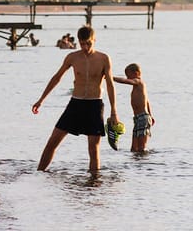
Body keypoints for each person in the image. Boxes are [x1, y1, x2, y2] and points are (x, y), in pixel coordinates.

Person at [32, 25, 118, 172]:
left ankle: (94, 183)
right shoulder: (72, 57)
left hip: (94, 105)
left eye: (89, 43)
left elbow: (110, 85)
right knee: (52, 142)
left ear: (94, 40)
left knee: (93, 148)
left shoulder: (103, 59)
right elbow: (57, 78)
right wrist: (41, 100)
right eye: (82, 43)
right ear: (78, 41)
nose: (85, 47)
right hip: (75, 104)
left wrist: (114, 111)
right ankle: (39, 174)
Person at [113, 63, 155, 153]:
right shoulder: (137, 87)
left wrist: (110, 77)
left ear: (136, 73)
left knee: (141, 148)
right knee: (133, 149)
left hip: (143, 118)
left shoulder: (138, 82)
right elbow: (147, 101)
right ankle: (136, 165)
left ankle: (143, 164)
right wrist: (151, 115)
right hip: (138, 118)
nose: (127, 78)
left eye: (128, 76)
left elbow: (125, 81)